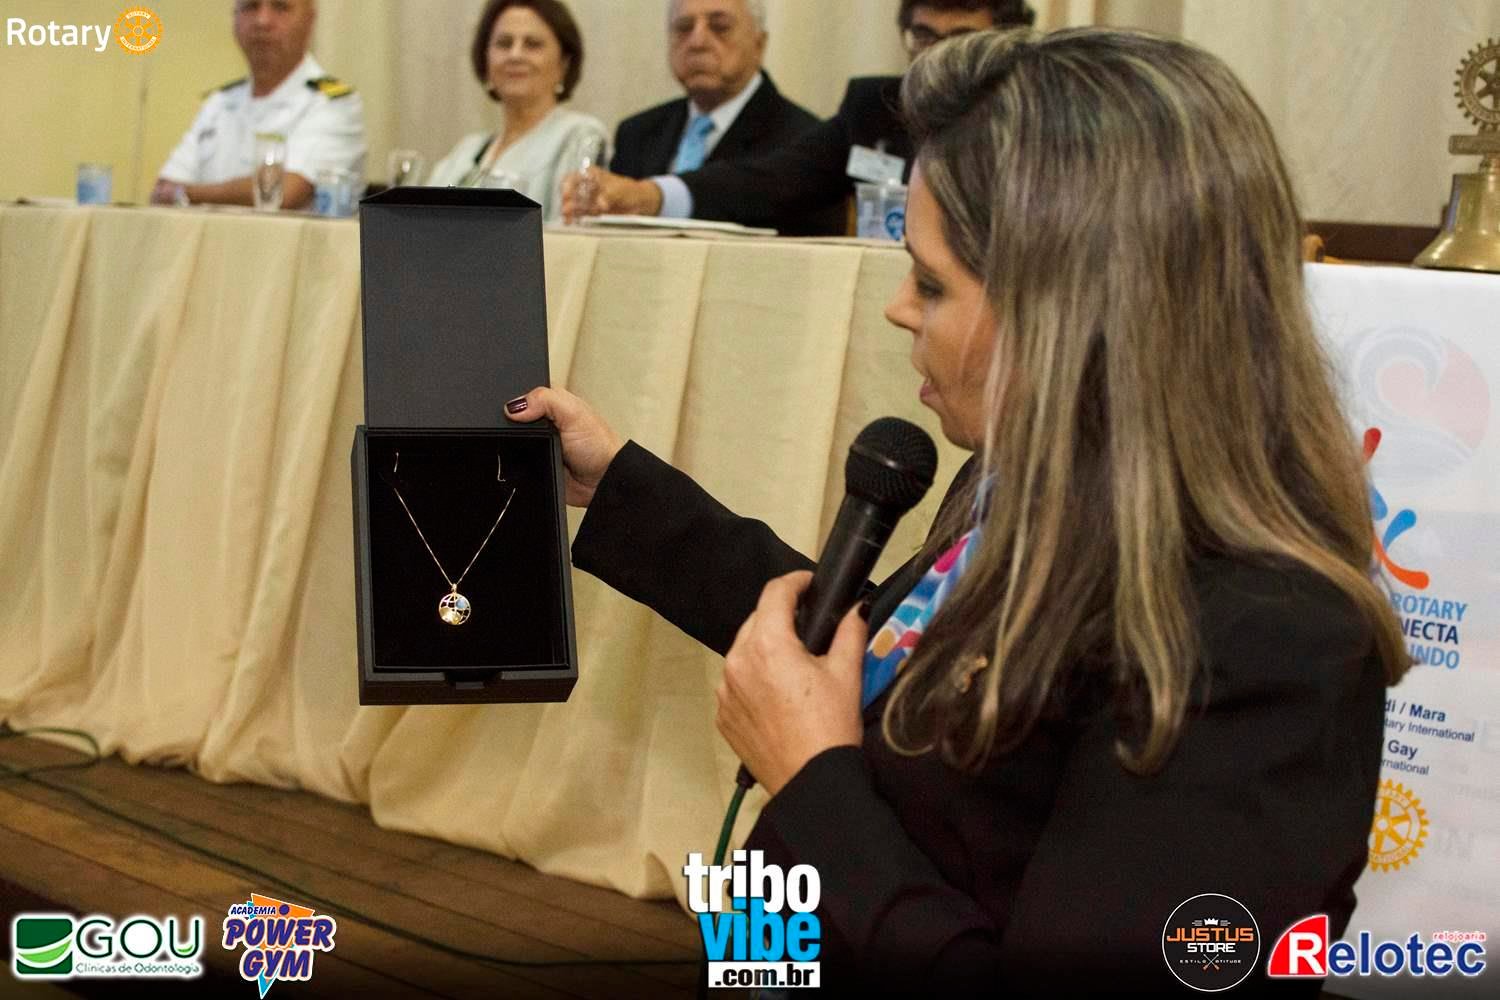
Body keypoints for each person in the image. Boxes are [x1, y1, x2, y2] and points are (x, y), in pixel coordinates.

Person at [509, 27, 1410, 993]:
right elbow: (876, 646)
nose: (899, 307)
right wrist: (620, 486)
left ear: (1072, 309)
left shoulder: (1263, 645)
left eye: (932, 281)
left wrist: (813, 782)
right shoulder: (1025, 480)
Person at [561, 0, 1034, 235]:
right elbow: (770, 180)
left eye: (960, 40)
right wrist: (648, 195)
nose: (936, 57)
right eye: (923, 37)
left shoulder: (1036, 115)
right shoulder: (875, 107)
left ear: (1005, 43)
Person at [610, 1, 837, 233]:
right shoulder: (636, 133)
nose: (697, 42)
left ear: (759, 44)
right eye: (684, 28)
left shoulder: (804, 141)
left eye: (719, 27)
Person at [152, 0, 365, 209]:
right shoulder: (219, 103)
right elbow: (161, 192)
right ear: (234, 19)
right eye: (250, 6)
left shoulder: (333, 103)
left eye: (280, 7)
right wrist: (180, 193)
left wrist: (186, 194)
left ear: (310, 21)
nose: (262, 21)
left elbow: (283, 193)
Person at [427, 0, 607, 223]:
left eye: (532, 44)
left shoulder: (580, 136)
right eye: (504, 44)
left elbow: (571, 229)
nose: (515, 55)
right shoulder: (466, 150)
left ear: (564, 63)